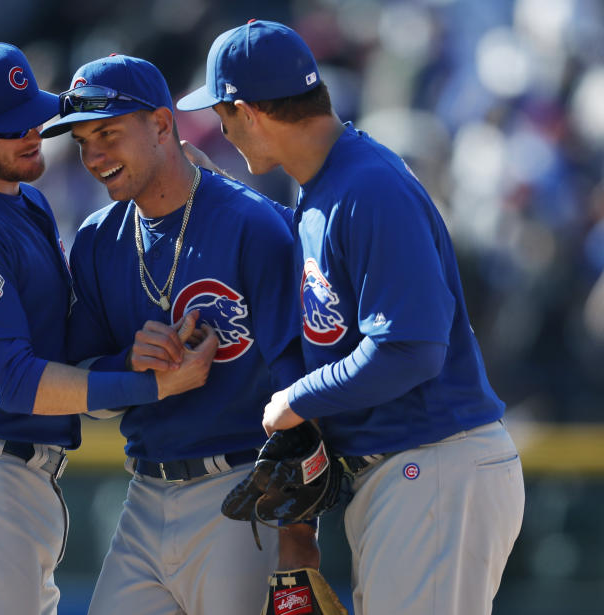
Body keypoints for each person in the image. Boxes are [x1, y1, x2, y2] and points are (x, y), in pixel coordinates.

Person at [177, 19, 526, 615]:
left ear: (248, 110)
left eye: (224, 115)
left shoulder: (367, 187)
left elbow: (411, 348)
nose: (222, 130)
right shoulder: (324, 187)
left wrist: (300, 398)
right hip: (407, 472)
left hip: (433, 463)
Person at [0, 42, 218, 615]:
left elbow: (59, 349)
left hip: (9, 482)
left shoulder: (25, 203)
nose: (30, 133)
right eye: (8, 127)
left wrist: (133, 362)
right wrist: (149, 386)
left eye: (32, 115)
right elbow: (14, 383)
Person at [40, 54, 319, 615]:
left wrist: (298, 534)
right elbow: (83, 390)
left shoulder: (254, 225)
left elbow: (303, 382)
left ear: (162, 125)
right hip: (143, 493)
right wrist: (129, 365)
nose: (94, 157)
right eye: (83, 142)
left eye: (109, 134)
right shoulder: (98, 239)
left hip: (243, 493)